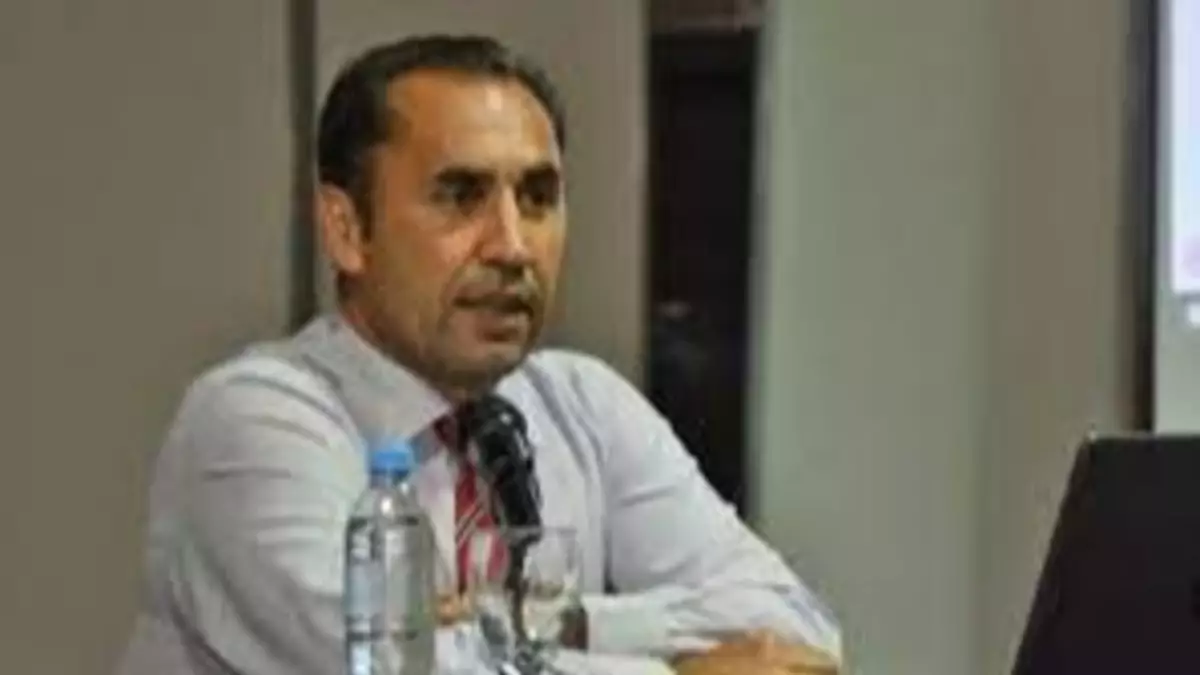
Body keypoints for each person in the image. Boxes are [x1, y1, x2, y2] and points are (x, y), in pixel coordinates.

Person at [117, 34, 841, 675]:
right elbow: (388, 665)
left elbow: (795, 630)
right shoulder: (255, 419)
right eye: (460, 196)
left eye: (538, 197)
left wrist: (566, 622)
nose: (513, 246)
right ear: (346, 229)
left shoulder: (581, 403)